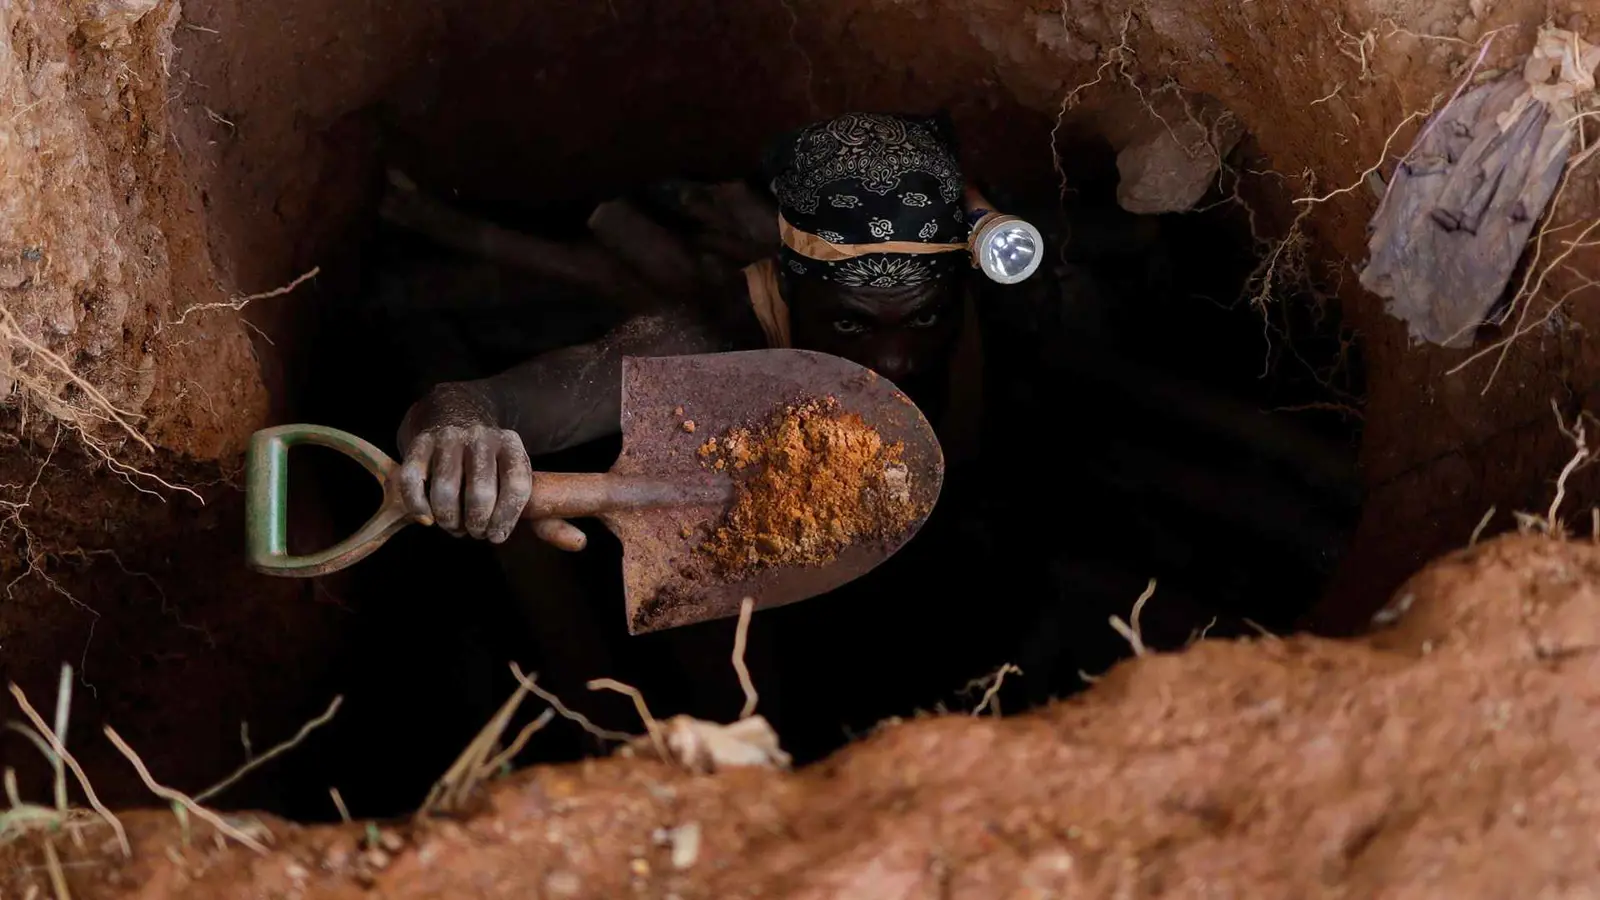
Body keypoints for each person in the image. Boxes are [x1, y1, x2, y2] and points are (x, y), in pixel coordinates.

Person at [393, 111, 1008, 543]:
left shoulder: (1004, 296)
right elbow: (494, 401)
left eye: (926, 316)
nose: (895, 360)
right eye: (852, 323)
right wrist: (459, 431)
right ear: (783, 288)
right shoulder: (716, 332)